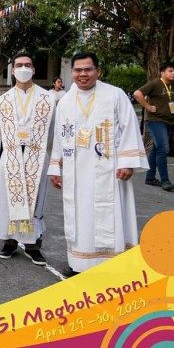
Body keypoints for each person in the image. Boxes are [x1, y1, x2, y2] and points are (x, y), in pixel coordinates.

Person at [48, 51, 147, 277]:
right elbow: (58, 138)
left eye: (88, 69)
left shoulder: (115, 95)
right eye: (78, 70)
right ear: (71, 73)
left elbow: (129, 128)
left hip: (109, 171)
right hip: (76, 171)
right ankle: (79, 264)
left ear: (98, 71)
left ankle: (110, 265)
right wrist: (55, 167)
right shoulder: (65, 102)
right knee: (79, 215)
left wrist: (128, 163)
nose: (83, 74)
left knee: (109, 214)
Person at [0, 52, 55, 265]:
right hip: (11, 156)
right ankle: (10, 242)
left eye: (28, 64)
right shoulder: (2, 100)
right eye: (19, 65)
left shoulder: (48, 98)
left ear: (34, 69)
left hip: (37, 154)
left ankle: (33, 244)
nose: (23, 68)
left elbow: (52, 131)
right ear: (13, 69)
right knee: (9, 199)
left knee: (35, 200)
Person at [133, 61, 174, 191]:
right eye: (170, 71)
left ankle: (150, 178)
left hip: (169, 121)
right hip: (156, 121)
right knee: (163, 149)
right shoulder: (156, 83)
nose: (173, 73)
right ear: (163, 73)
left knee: (156, 149)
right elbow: (137, 93)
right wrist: (148, 106)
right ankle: (165, 181)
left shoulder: (172, 85)